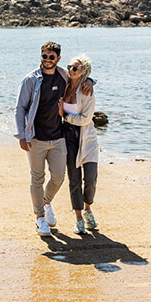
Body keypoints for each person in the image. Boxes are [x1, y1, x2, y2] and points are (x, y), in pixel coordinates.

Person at [14, 41, 92, 236]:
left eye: (51, 57)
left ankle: (46, 202)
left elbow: (78, 78)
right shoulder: (31, 79)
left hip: (58, 138)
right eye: (44, 56)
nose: (47, 60)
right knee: (37, 178)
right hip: (36, 139)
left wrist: (90, 82)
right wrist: (22, 135)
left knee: (58, 177)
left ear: (58, 58)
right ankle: (40, 217)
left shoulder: (63, 76)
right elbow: (20, 108)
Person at [58, 55, 100, 235]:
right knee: (74, 179)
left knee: (90, 178)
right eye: (70, 67)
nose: (71, 70)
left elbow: (85, 119)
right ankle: (78, 218)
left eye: (76, 68)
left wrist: (65, 115)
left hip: (87, 136)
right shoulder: (64, 83)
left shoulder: (86, 90)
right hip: (68, 137)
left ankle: (87, 208)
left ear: (83, 72)